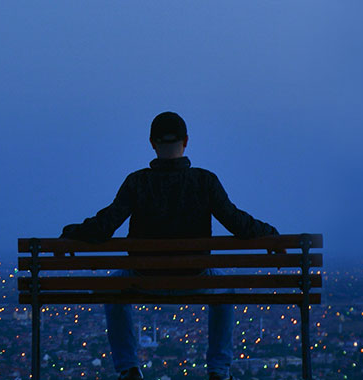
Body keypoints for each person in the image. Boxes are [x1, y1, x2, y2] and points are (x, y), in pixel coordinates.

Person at [60, 111, 278, 380]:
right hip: (195, 278)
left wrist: (71, 234)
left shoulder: (137, 182)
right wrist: (271, 235)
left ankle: (128, 369)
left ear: (152, 142)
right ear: (186, 141)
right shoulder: (205, 181)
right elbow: (238, 223)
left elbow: (104, 225)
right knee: (226, 289)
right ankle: (219, 370)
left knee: (112, 287)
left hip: (144, 278)